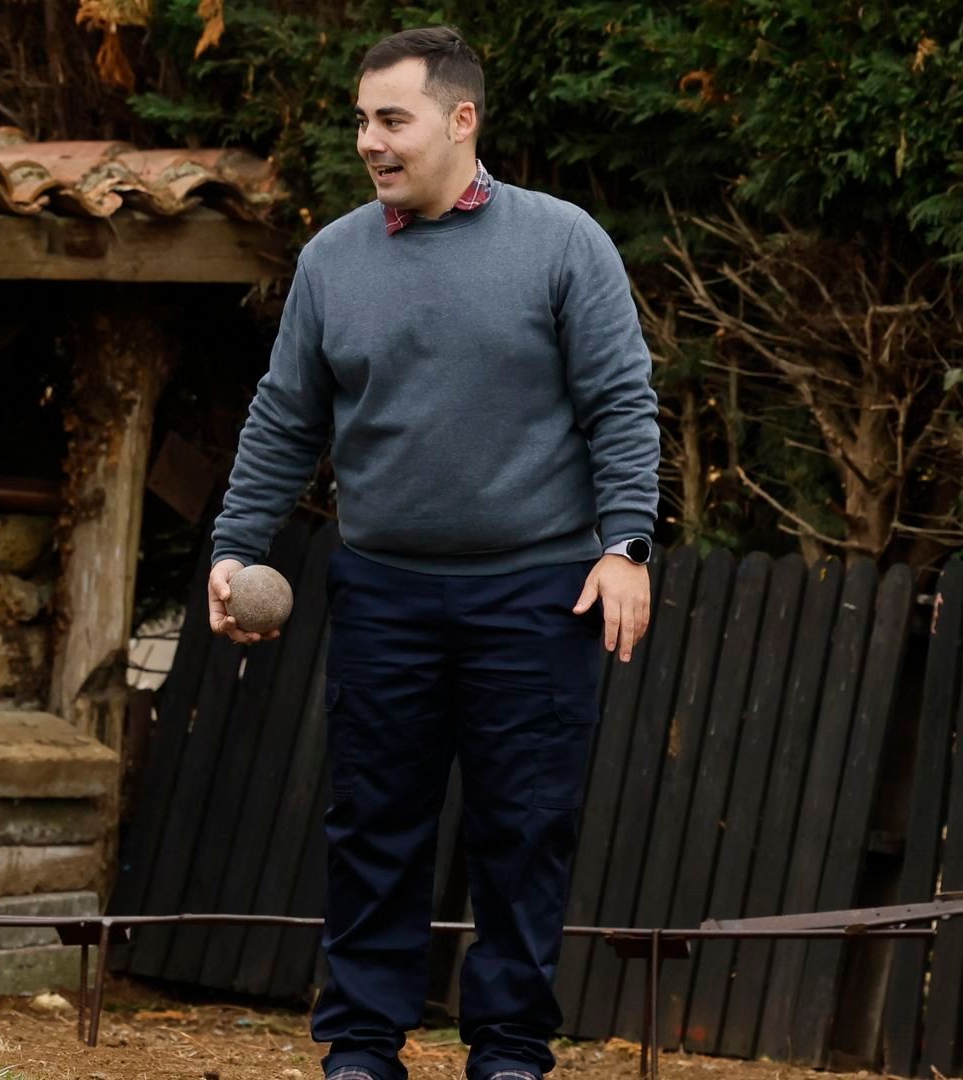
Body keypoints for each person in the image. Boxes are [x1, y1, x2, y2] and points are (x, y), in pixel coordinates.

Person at [205, 25, 660, 1080]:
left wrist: (624, 544)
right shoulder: (333, 260)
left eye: (391, 118)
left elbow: (621, 404)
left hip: (540, 596)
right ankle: (361, 1048)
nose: (369, 140)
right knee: (375, 828)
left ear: (463, 120)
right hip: (384, 593)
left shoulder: (563, 244)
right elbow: (284, 419)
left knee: (524, 830)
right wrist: (236, 547)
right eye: (362, 119)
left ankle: (507, 1052)